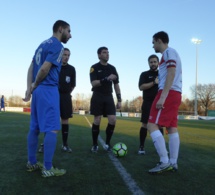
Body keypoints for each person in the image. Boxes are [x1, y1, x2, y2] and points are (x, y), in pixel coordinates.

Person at [23, 20, 72, 177]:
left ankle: (31, 163)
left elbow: (31, 67)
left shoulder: (42, 44)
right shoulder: (58, 46)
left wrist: (30, 88)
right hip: (48, 90)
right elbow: (44, 68)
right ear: (60, 29)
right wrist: (36, 83)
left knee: (34, 128)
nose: (70, 35)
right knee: (52, 128)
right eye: (68, 31)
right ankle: (48, 168)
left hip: (37, 92)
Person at [147, 31, 182, 174]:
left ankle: (164, 161)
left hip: (168, 93)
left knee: (151, 124)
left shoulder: (168, 52)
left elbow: (171, 72)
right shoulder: (170, 53)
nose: (152, 45)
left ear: (159, 41)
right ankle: (173, 162)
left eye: (153, 42)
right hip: (175, 93)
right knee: (172, 127)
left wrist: (163, 96)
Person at [38, 48, 76, 153]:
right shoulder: (53, 66)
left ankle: (65, 145)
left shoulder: (72, 69)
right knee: (50, 120)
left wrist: (66, 93)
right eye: (64, 54)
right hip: (53, 96)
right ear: (60, 55)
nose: (66, 57)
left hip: (66, 97)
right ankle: (45, 144)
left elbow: (73, 85)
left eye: (68, 55)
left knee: (65, 120)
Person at [89, 46, 122, 152]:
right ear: (99, 55)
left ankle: (107, 143)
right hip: (97, 95)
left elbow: (116, 84)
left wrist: (119, 99)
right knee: (97, 120)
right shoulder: (94, 67)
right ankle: (94, 144)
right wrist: (106, 79)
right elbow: (94, 83)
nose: (107, 54)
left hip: (108, 96)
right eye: (104, 52)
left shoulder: (112, 68)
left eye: (108, 52)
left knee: (113, 119)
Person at [138, 55, 163, 155]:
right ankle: (141, 147)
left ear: (158, 63)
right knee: (145, 124)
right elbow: (141, 87)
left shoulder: (162, 74)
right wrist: (154, 82)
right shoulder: (144, 74)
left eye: (154, 62)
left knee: (160, 125)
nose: (153, 64)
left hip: (159, 103)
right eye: (151, 62)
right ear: (148, 63)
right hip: (148, 102)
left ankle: (160, 148)